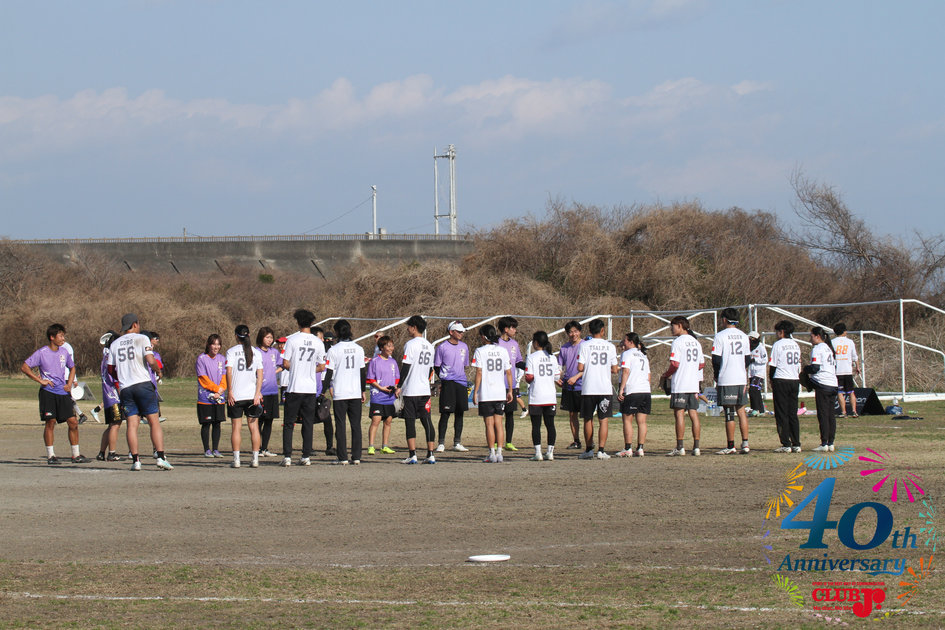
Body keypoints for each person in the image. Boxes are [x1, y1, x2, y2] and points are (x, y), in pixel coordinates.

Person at [107, 313, 172, 470]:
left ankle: (136, 460)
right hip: (142, 384)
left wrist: (121, 378)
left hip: (125, 388)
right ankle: (160, 457)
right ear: (135, 324)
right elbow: (150, 360)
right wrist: (158, 371)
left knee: (132, 424)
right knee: (154, 421)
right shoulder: (142, 338)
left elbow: (110, 369)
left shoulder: (115, 344)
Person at [21, 323, 89, 464]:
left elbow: (72, 367)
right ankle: (51, 456)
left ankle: (75, 455)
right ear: (52, 337)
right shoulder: (42, 353)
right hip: (48, 393)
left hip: (62, 393)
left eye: (64, 336)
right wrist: (40, 380)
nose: (63, 339)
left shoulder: (64, 352)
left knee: (73, 422)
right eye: (61, 336)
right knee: (50, 423)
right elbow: (25, 367)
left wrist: (69, 384)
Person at [281, 309, 326, 466]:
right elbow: (322, 366)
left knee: (289, 423)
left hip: (294, 387)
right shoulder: (318, 342)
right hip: (310, 389)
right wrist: (309, 369)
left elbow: (285, 363)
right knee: (308, 422)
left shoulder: (292, 340)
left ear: (298, 322)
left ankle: (287, 456)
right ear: (311, 323)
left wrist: (296, 368)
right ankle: (306, 456)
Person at [322, 319, 366, 465]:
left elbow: (329, 373)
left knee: (340, 425)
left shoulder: (333, 350)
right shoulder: (359, 349)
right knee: (356, 425)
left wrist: (323, 390)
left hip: (340, 392)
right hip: (355, 392)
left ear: (337, 332)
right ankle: (357, 456)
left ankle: (342, 457)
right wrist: (363, 390)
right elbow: (362, 371)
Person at [574, 318, 618, 459]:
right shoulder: (610, 346)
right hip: (604, 388)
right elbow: (615, 369)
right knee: (603, 419)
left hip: (589, 388)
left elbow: (580, 367)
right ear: (602, 330)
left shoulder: (584, 345)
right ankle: (601, 450)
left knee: (588, 419)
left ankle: (588, 450)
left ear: (590, 331)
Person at [660, 316, 704, 456]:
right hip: (693, 384)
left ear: (679, 325)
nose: (671, 329)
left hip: (680, 383)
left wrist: (666, 375)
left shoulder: (678, 342)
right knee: (693, 414)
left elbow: (675, 364)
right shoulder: (696, 342)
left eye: (672, 326)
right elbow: (701, 364)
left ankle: (680, 447)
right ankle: (696, 447)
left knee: (679, 414)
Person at [397, 315, 438, 464]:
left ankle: (412, 454)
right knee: (426, 421)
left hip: (411, 389)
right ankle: (430, 454)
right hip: (424, 390)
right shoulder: (430, 346)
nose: (408, 329)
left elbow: (406, 366)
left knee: (410, 421)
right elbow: (430, 369)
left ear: (414, 328)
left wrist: (399, 386)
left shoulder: (410, 344)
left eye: (409, 327)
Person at [711, 308, 751, 455]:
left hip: (727, 378)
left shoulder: (720, 336)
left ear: (724, 319)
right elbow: (747, 359)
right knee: (741, 411)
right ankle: (745, 444)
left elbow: (716, 359)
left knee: (729, 412)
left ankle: (731, 446)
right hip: (740, 378)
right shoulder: (744, 336)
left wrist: (716, 375)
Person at [472, 324, 514, 463]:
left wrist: (475, 391)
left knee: (489, 424)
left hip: (487, 392)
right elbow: (508, 372)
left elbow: (479, 372)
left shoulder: (480, 351)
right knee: (499, 423)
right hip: (500, 392)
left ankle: (492, 453)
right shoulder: (503, 350)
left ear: (484, 337)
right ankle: (500, 453)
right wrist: (510, 390)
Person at [225, 325, 264, 468]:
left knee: (236, 427)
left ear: (236, 336)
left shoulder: (231, 351)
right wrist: (257, 393)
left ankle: (236, 460)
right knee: (254, 427)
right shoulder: (256, 352)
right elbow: (260, 375)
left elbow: (228, 372)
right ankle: (255, 459)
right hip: (251, 395)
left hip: (236, 395)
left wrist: (230, 391)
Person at [433, 320, 470, 452]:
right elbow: (437, 366)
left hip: (461, 383)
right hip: (448, 383)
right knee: (445, 413)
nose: (461, 334)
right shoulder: (442, 347)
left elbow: (464, 365)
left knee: (460, 413)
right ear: (451, 332)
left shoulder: (464, 346)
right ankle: (441, 443)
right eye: (458, 331)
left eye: (462, 332)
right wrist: (443, 378)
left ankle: (457, 442)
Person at [523, 331, 560, 461]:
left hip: (536, 396)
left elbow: (529, 377)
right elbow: (557, 377)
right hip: (550, 396)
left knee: (536, 425)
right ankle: (550, 452)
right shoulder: (552, 357)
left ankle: (538, 453)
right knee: (550, 425)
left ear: (536, 342)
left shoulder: (531, 357)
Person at [768, 320, 802, 453]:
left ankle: (786, 443)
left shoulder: (778, 345)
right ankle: (796, 443)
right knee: (792, 413)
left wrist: (771, 379)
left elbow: (773, 365)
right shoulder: (796, 345)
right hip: (794, 379)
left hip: (781, 379)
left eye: (777, 332)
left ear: (781, 332)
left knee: (781, 413)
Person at [616, 332, 650, 458]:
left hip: (632, 390)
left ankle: (628, 448)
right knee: (642, 421)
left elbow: (626, 371)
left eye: (625, 340)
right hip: (645, 390)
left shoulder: (627, 354)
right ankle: (640, 448)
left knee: (627, 420)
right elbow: (649, 375)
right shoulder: (643, 355)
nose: (623, 342)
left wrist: (621, 389)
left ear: (630, 342)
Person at [806, 326, 839, 452]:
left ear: (817, 336)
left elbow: (815, 368)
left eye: (811, 336)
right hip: (833, 383)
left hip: (823, 384)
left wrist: (805, 369)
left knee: (823, 415)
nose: (810, 339)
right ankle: (831, 443)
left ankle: (824, 443)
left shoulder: (818, 348)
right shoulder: (828, 348)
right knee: (831, 415)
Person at [366, 335, 399, 455]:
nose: (391, 348)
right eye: (388, 346)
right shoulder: (374, 361)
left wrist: (396, 388)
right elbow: (370, 379)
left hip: (390, 398)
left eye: (392, 346)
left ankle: (385, 446)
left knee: (388, 421)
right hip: (378, 396)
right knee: (376, 420)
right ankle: (371, 446)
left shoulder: (393, 362)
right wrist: (381, 388)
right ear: (382, 347)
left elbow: (397, 378)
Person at [497, 316, 525, 451]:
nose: (515, 330)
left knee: (510, 414)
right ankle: (496, 442)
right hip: (497, 385)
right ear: (506, 329)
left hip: (511, 385)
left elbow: (518, 362)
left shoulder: (515, 344)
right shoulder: (496, 343)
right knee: (497, 415)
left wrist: (529, 366)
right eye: (513, 327)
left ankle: (508, 442)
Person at [196, 334, 227, 458]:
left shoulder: (222, 359)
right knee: (206, 423)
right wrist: (216, 389)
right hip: (205, 398)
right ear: (208, 345)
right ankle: (207, 449)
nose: (216, 347)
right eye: (214, 344)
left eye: (218, 344)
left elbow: (224, 377)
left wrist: (221, 390)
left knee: (217, 423)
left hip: (219, 397)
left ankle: (216, 449)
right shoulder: (201, 358)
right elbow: (203, 379)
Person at [95, 330, 124, 461]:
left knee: (111, 425)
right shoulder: (112, 359)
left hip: (107, 396)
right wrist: (122, 395)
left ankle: (102, 452)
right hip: (114, 396)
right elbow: (116, 379)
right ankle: (112, 453)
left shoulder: (105, 357)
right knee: (116, 424)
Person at [558, 321, 585, 450]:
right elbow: (559, 367)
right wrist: (557, 379)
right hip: (569, 386)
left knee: (587, 416)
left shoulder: (585, 346)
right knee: (572, 415)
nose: (573, 334)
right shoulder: (564, 348)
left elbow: (589, 367)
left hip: (583, 386)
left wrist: (576, 377)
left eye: (575, 331)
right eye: (570, 332)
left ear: (580, 331)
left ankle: (590, 441)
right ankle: (576, 440)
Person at [255, 327, 281, 457]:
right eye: (267, 337)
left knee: (269, 421)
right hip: (261, 392)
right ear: (261, 337)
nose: (269, 340)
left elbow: (282, 365)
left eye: (271, 337)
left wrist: (273, 372)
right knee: (259, 420)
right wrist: (257, 390)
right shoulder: (255, 352)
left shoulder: (274, 352)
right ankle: (258, 448)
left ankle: (265, 448)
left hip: (273, 391)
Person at [312, 326, 335, 456]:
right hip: (309, 393)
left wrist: (328, 387)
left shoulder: (325, 354)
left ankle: (329, 446)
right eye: (321, 338)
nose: (323, 341)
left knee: (327, 420)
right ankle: (308, 447)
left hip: (320, 393)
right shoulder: (311, 353)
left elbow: (327, 374)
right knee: (308, 421)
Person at [831, 323, 860, 418]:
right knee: (851, 392)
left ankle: (844, 412)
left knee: (840, 392)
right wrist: (857, 367)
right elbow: (855, 356)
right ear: (844, 331)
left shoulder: (832, 342)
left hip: (837, 371)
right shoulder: (850, 342)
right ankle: (854, 411)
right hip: (847, 370)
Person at [747, 331, 768, 416]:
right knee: (756, 391)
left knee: (753, 389)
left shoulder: (761, 347)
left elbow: (765, 359)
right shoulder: (749, 347)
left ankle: (755, 409)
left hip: (759, 372)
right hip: (752, 372)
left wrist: (755, 360)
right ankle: (761, 410)